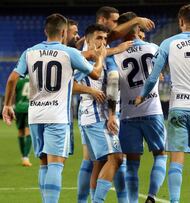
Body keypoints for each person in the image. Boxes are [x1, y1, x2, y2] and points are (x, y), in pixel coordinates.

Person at [2, 13, 106, 203]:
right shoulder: (69, 52)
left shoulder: (30, 52)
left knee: (43, 163)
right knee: (56, 165)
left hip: (36, 115)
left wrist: (7, 105)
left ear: (45, 31)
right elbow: (96, 74)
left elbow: (12, 79)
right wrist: (99, 57)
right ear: (64, 32)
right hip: (57, 115)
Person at [135, 4, 190, 203]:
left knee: (176, 160)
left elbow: (153, 76)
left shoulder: (168, 44)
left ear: (180, 22)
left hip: (178, 108)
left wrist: (142, 95)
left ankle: (174, 201)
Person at [114, 12, 167, 203]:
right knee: (160, 155)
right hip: (152, 110)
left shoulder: (116, 53)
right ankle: (152, 196)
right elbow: (161, 73)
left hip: (128, 114)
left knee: (132, 164)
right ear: (137, 28)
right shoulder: (153, 48)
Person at [74, 23, 124, 203]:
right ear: (88, 40)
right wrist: (91, 91)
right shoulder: (83, 60)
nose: (103, 42)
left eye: (105, 38)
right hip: (97, 116)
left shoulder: (101, 55)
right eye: (99, 38)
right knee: (117, 158)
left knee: (99, 162)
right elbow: (69, 86)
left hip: (93, 116)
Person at [14, 75, 32, 167]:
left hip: (19, 108)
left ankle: (23, 156)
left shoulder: (18, 79)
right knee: (28, 131)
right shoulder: (34, 77)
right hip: (31, 107)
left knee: (20, 131)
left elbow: (14, 93)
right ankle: (26, 157)